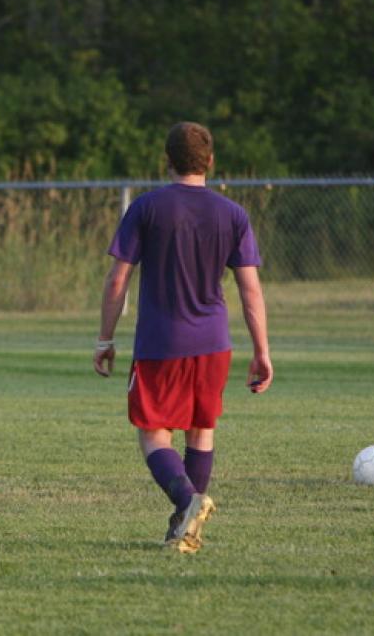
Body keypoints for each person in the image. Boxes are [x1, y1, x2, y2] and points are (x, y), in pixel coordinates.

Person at [93, 121, 273, 553]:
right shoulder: (233, 214)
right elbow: (251, 291)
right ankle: (185, 525)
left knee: (154, 432)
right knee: (200, 428)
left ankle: (187, 499)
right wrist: (262, 351)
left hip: (161, 342)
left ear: (167, 160)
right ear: (210, 161)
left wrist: (104, 338)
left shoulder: (147, 208)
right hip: (214, 342)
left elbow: (118, 281)